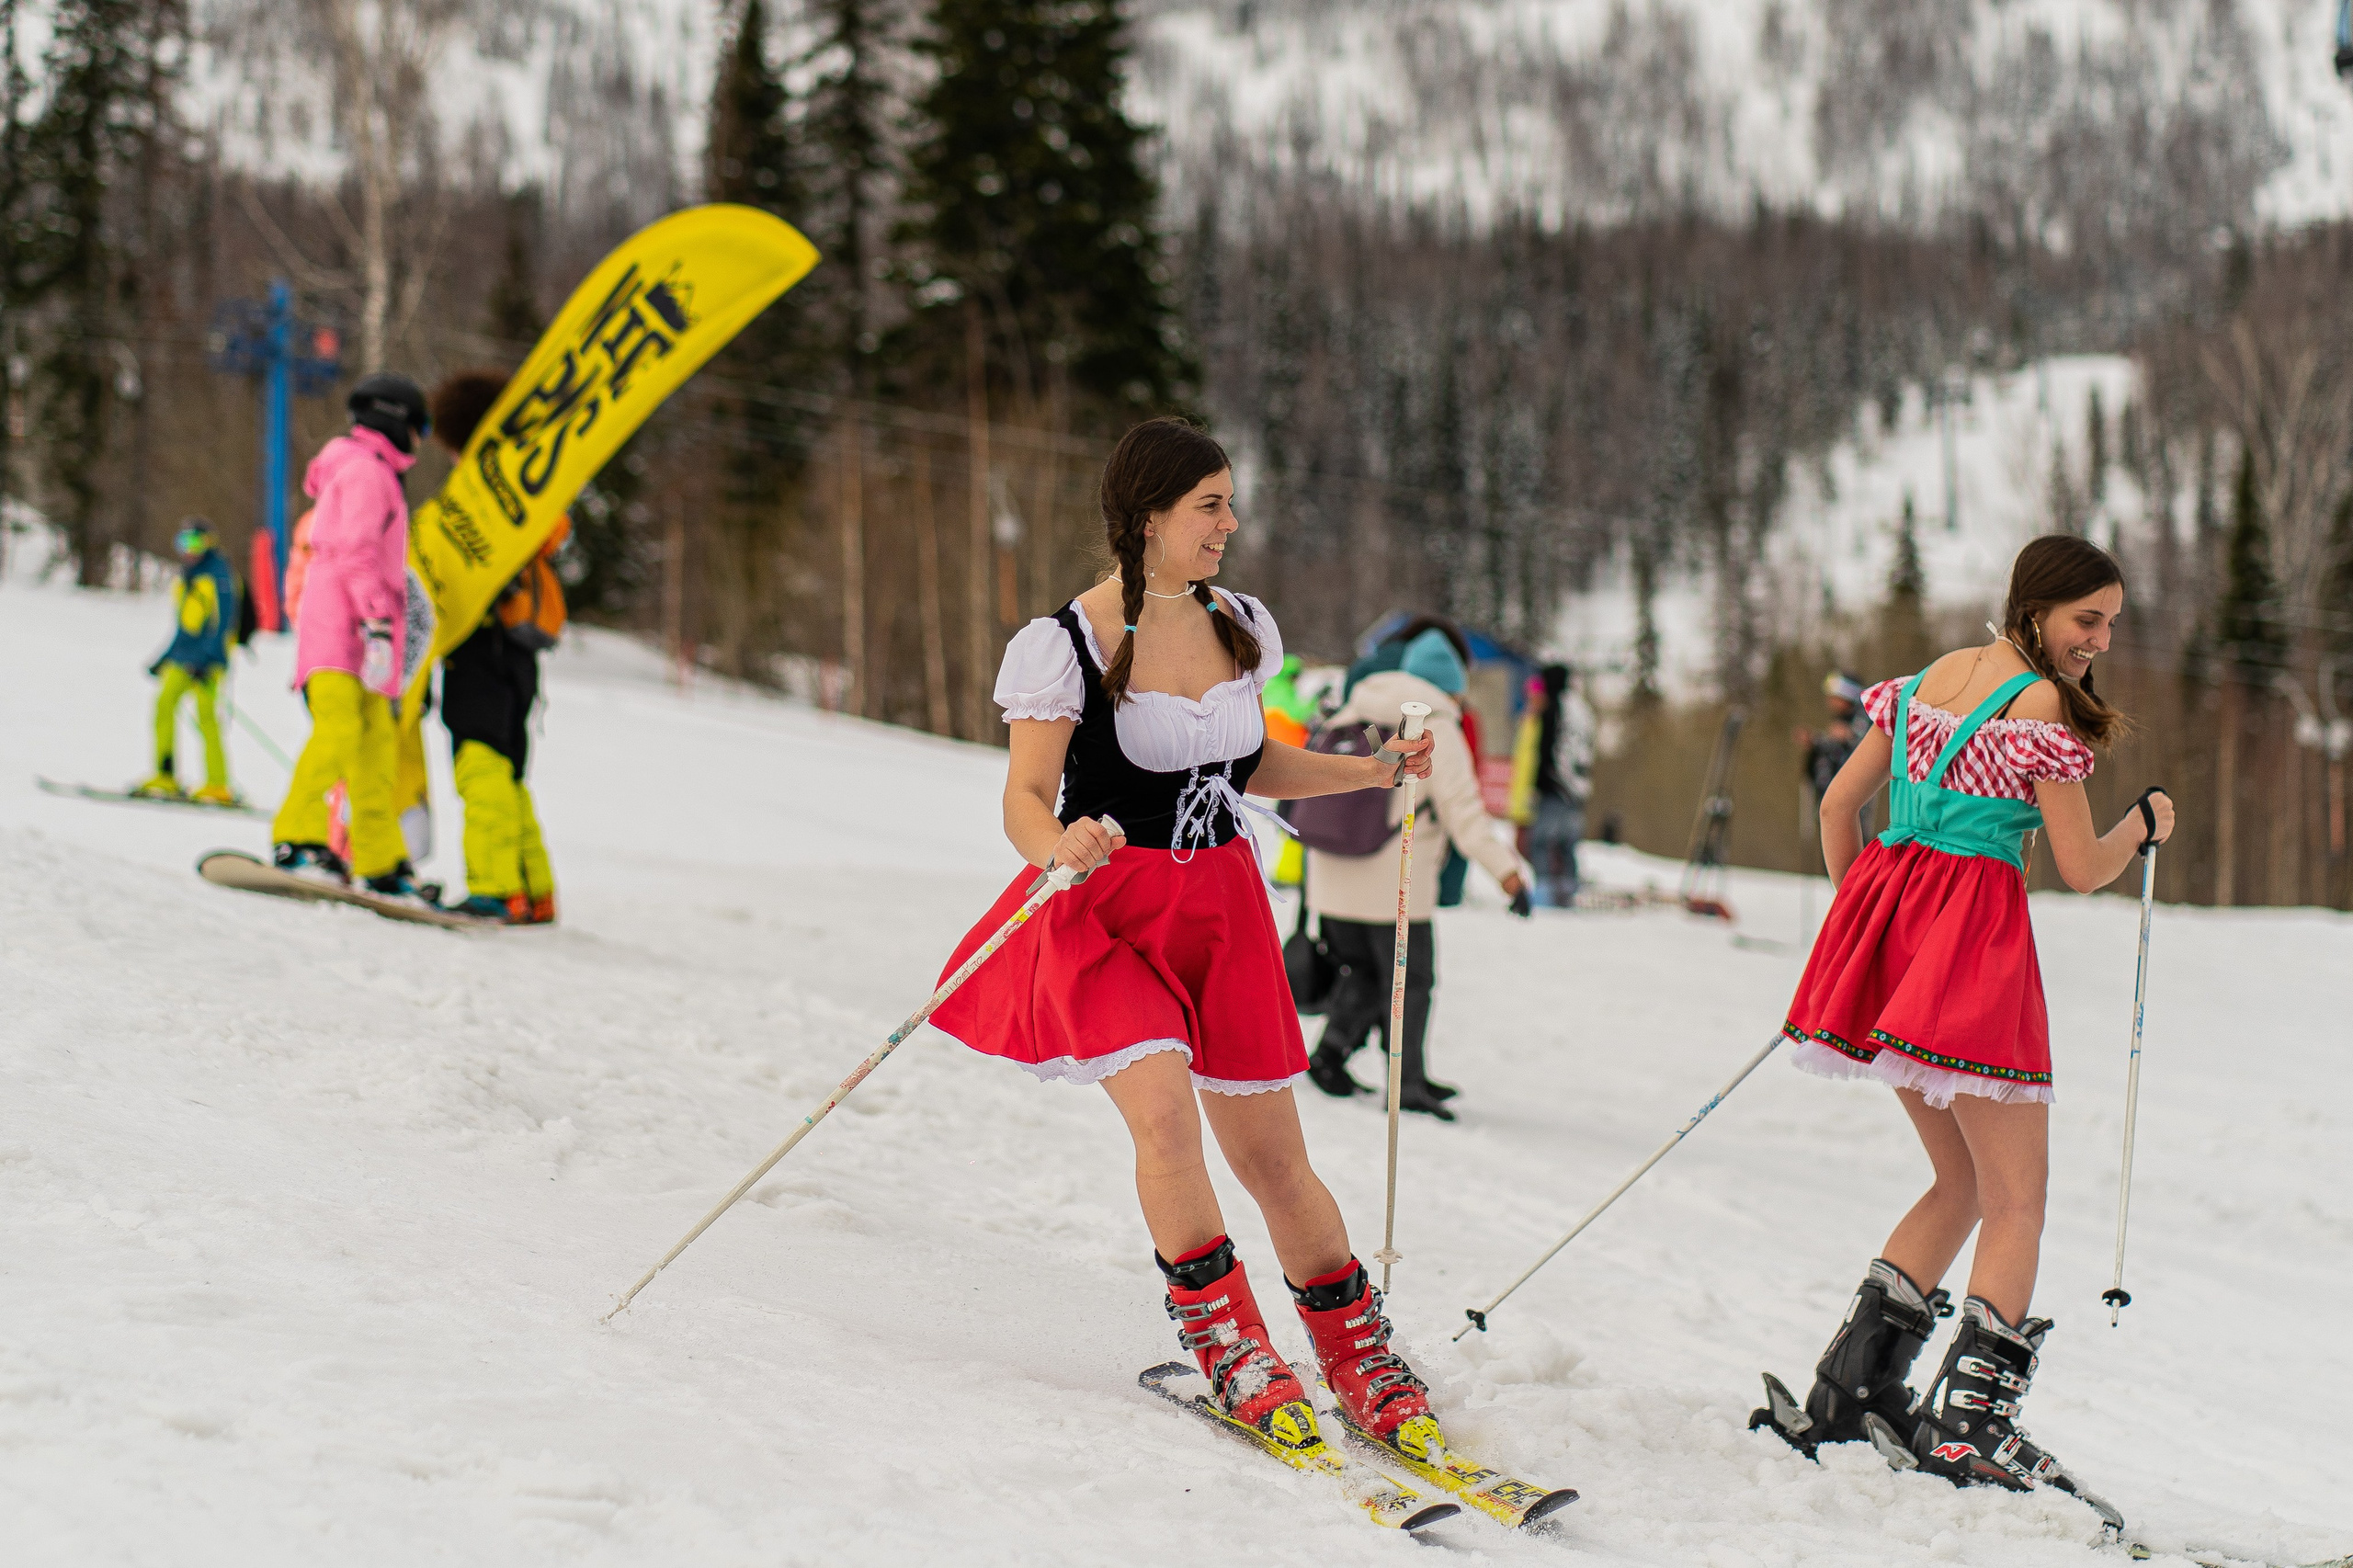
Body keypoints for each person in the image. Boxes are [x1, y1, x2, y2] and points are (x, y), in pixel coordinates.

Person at [929, 416, 1456, 1454]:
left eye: (1228, 502)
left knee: (1272, 1153)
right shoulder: (1067, 643)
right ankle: (1230, 1341)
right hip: (1109, 910)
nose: (1228, 523)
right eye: (1209, 505)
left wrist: (1369, 771)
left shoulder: (1236, 620)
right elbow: (1024, 796)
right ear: (1148, 517)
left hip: (1221, 909)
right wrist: (1056, 842)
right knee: (1166, 1120)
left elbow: (1246, 766)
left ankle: (1353, 1346)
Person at [1750, 535, 2176, 1506]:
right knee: (2016, 1193)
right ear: (2036, 607)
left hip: (1896, 945)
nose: (2098, 640)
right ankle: (1973, 1428)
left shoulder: (1933, 676)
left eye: (2109, 622)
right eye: (2086, 620)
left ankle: (1850, 1389)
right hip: (1971, 956)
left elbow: (1836, 809)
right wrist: (2143, 824)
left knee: (1958, 1179)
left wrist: (1866, 917)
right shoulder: (2036, 712)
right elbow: (2081, 865)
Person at [1303, 621, 1532, 1119]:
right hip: (1394, 887)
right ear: (1452, 684)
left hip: (1330, 875)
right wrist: (1509, 875)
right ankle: (1405, 1083)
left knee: (1361, 971)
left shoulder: (1354, 708)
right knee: (1413, 981)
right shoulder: (1438, 729)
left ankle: (1329, 1056)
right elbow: (1466, 817)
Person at [269, 372, 432, 899]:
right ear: (397, 421)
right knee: (339, 734)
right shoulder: (365, 474)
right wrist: (379, 622)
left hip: (364, 641)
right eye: (419, 428)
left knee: (376, 752)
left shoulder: (375, 473)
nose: (421, 441)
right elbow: (354, 553)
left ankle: (380, 858)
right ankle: (297, 837)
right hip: (342, 635)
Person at [426, 369, 561, 925]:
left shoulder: (479, 491)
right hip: (519, 653)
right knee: (508, 773)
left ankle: (494, 886)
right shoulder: (527, 480)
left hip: (481, 647)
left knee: (480, 769)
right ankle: (534, 889)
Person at [136, 518, 243, 805]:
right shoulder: (188, 576)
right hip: (183, 658)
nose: (189, 550)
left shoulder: (218, 575)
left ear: (209, 543)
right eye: (185, 543)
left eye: (196, 543)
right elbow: (184, 626)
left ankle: (218, 784)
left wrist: (209, 659)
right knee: (163, 706)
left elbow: (223, 625)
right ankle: (165, 775)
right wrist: (165, 658)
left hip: (208, 662)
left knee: (207, 718)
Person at [1514, 663, 1593, 907]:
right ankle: (1568, 890)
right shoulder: (1582, 711)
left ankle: (1547, 892)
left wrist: (1537, 786)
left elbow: (1545, 752)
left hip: (1555, 788)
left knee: (1542, 841)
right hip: (1576, 791)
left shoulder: (1555, 709)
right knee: (1566, 843)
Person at [1801, 672, 1874, 841]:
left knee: (1850, 846)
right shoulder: (1841, 722)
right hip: (1830, 801)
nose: (1830, 701)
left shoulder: (1861, 721)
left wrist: (1843, 738)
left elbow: (1859, 747)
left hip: (1850, 804)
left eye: (1834, 696)